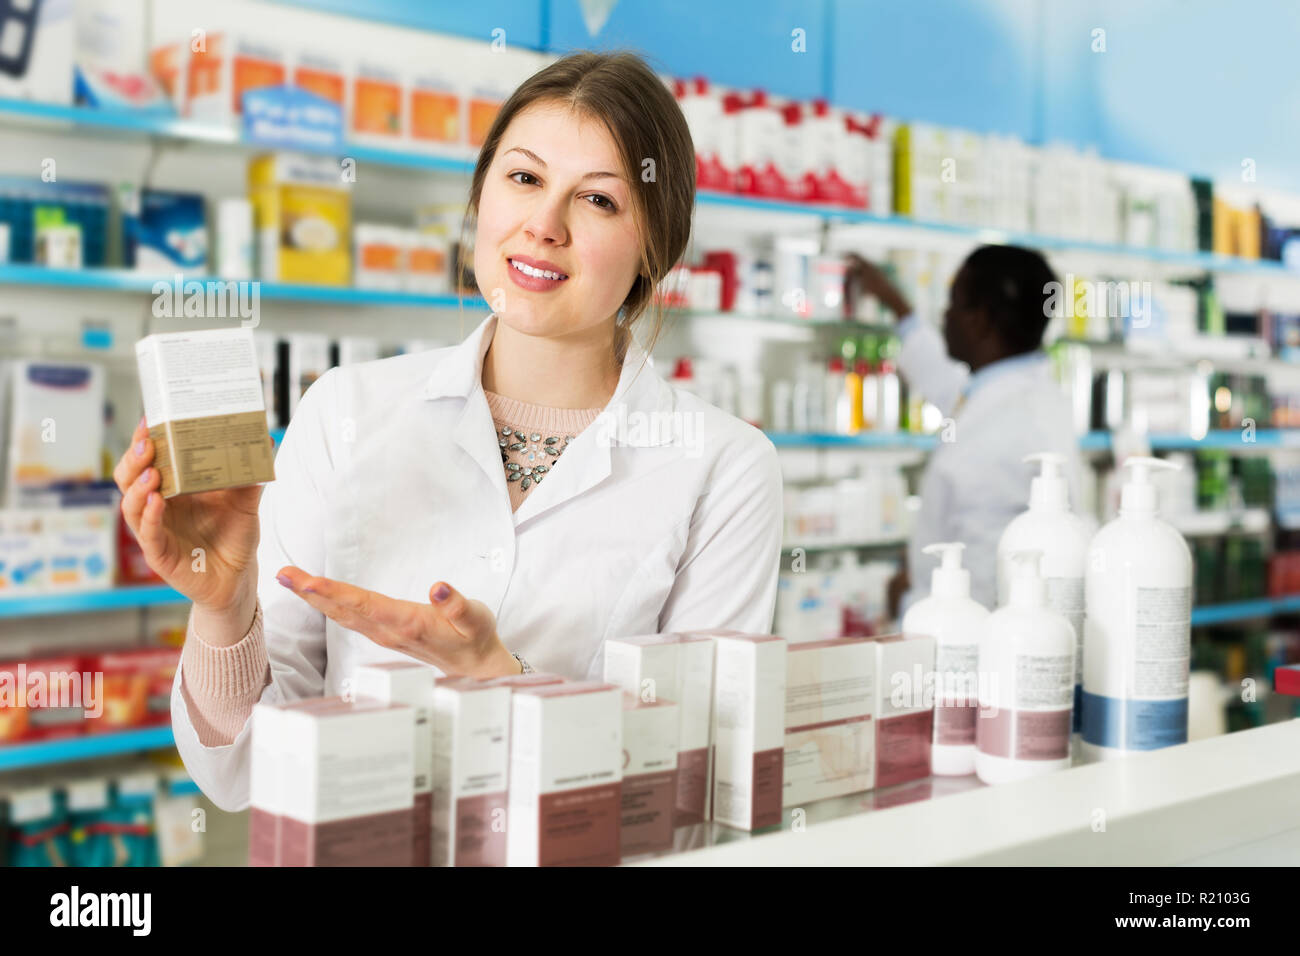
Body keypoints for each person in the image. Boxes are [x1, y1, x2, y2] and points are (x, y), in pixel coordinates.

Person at [113, 52, 783, 812]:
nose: (543, 225)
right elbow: (245, 777)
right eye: (524, 178)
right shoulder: (345, 410)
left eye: (597, 200)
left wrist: (503, 679)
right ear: (483, 193)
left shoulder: (724, 468)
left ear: (654, 247)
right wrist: (224, 605)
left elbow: (700, 787)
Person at [845, 245, 1083, 615]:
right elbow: (944, 382)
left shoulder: (1006, 427)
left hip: (973, 642)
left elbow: (983, 575)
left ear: (980, 319)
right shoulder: (1020, 392)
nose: (945, 316)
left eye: (953, 302)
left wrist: (912, 601)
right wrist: (898, 307)